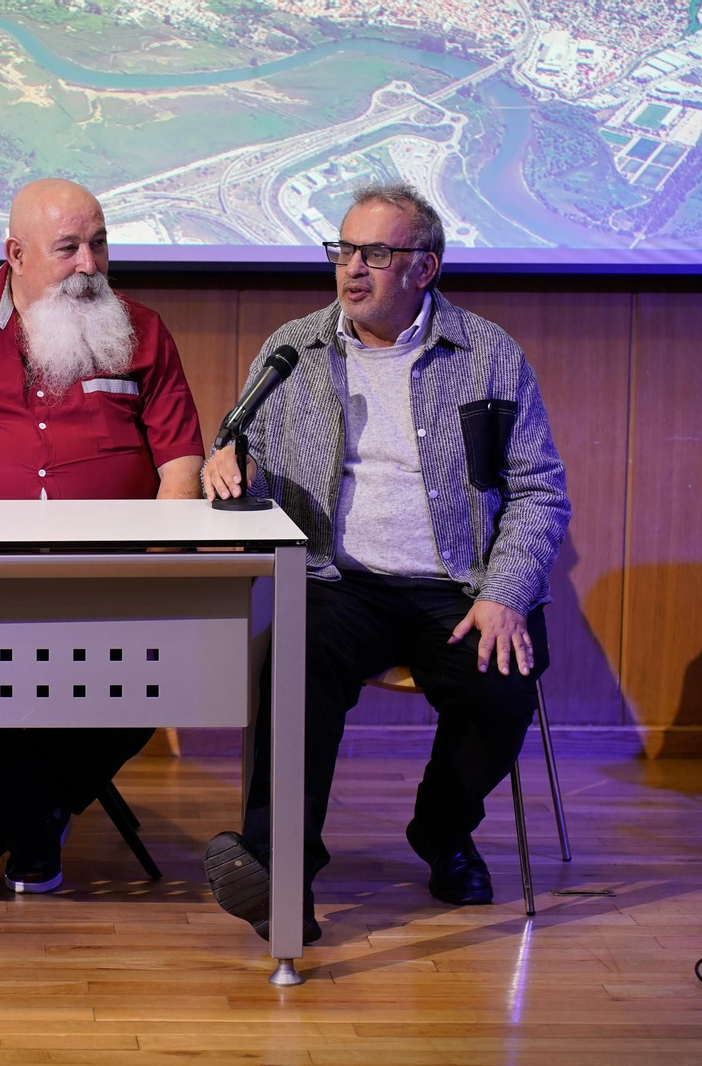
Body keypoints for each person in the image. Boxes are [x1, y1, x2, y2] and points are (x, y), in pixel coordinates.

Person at [202, 182, 570, 943]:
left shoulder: (488, 354)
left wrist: (505, 593)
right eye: (343, 250)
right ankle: (281, 875)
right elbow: (244, 452)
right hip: (340, 582)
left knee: (502, 686)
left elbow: (540, 490)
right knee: (292, 665)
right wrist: (228, 465)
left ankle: (442, 833)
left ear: (424, 268)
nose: (351, 269)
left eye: (375, 253)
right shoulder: (293, 349)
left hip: (460, 586)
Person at [0, 178, 205, 893]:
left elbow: (181, 464)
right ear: (16, 254)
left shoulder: (141, 330)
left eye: (99, 244)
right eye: (68, 248)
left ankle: (21, 811)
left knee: (172, 657)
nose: (90, 265)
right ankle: (35, 818)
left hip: (110, 571)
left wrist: (162, 561)